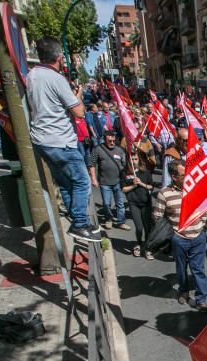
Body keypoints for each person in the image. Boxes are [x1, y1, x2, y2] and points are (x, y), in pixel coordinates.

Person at [27, 37, 97, 242]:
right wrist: (79, 96)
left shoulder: (32, 75)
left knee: (66, 183)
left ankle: (78, 219)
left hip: (42, 140)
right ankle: (80, 224)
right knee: (82, 181)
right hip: (60, 141)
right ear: (59, 57)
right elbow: (79, 113)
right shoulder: (56, 79)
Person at [155, 159, 207, 312]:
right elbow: (158, 217)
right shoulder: (165, 193)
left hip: (198, 236)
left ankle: (201, 299)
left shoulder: (196, 189)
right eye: (183, 174)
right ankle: (184, 292)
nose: (188, 176)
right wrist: (172, 233)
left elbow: (205, 209)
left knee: (198, 268)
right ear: (174, 177)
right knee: (181, 268)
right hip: (179, 239)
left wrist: (201, 225)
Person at [90, 131, 130, 231]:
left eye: (113, 140)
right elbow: (92, 164)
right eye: (109, 141)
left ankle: (121, 222)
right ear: (104, 139)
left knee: (120, 203)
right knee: (106, 203)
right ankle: (108, 219)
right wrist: (94, 179)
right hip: (104, 182)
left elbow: (125, 164)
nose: (112, 143)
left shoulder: (120, 150)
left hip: (118, 181)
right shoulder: (97, 149)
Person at [122, 151, 154, 258]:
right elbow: (123, 189)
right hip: (133, 203)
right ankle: (139, 244)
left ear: (139, 159)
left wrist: (141, 183)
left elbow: (151, 187)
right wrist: (133, 185)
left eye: (136, 159)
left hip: (146, 203)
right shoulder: (125, 172)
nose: (134, 161)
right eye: (132, 159)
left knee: (147, 227)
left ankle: (148, 247)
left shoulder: (145, 172)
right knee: (139, 227)